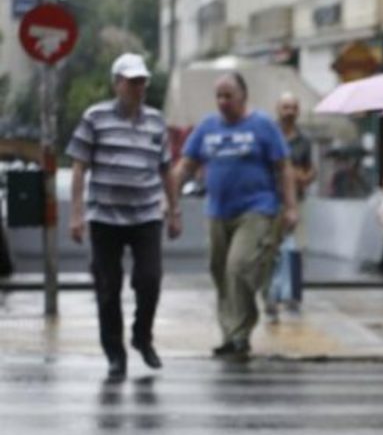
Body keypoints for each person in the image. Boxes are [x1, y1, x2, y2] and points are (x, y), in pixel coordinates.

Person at [66, 53, 181, 381]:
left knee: (149, 279)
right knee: (108, 287)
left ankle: (142, 336)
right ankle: (114, 352)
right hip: (105, 216)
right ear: (117, 83)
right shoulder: (95, 118)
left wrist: (174, 211)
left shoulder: (156, 121)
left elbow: (166, 170)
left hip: (146, 214)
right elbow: (79, 167)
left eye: (142, 81)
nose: (138, 87)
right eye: (132, 82)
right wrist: (77, 215)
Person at [171, 73, 299, 361]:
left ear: (243, 95)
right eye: (219, 96)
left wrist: (290, 207)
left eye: (228, 96)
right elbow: (185, 166)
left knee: (238, 268)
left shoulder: (263, 126)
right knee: (220, 272)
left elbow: (284, 168)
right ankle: (230, 335)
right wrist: (169, 201)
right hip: (217, 211)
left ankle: (239, 334)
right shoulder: (206, 127)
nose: (222, 102)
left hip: (257, 210)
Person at [264, 93, 314, 322]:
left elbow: (310, 170)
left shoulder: (304, 141)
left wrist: (303, 177)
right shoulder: (269, 135)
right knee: (270, 248)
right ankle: (271, 296)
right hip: (272, 199)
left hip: (298, 200)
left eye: (293, 107)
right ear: (278, 109)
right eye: (285, 107)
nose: (289, 111)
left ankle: (293, 295)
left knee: (294, 249)